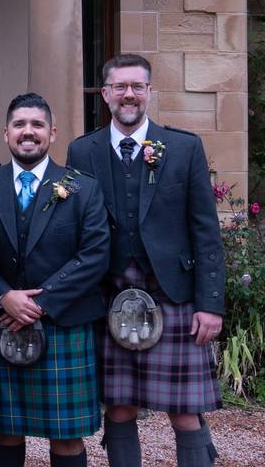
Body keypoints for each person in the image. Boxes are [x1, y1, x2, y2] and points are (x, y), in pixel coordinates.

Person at [67, 54, 225, 466]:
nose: (129, 95)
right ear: (105, 94)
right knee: (118, 407)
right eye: (120, 86)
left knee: (186, 410)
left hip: (173, 295)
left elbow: (206, 233)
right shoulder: (83, 152)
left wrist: (210, 305)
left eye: (137, 86)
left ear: (150, 92)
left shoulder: (184, 147)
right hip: (109, 296)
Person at [0, 93, 110, 467]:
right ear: (6, 134)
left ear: (52, 133)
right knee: (4, 430)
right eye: (19, 125)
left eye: (37, 125)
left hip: (62, 321)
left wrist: (39, 303)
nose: (28, 132)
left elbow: (95, 255)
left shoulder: (83, 187)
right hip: (0, 322)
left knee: (66, 436)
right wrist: (3, 296)